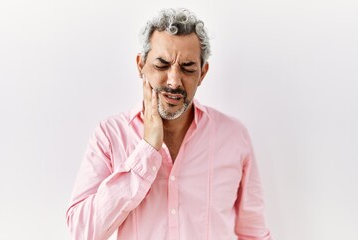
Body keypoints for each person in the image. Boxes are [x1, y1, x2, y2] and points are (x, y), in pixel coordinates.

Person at [66, 8, 272, 240]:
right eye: (162, 65)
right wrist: (147, 150)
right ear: (140, 65)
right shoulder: (110, 135)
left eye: (188, 68)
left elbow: (253, 233)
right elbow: (82, 231)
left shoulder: (234, 136)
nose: (174, 81)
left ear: (202, 74)